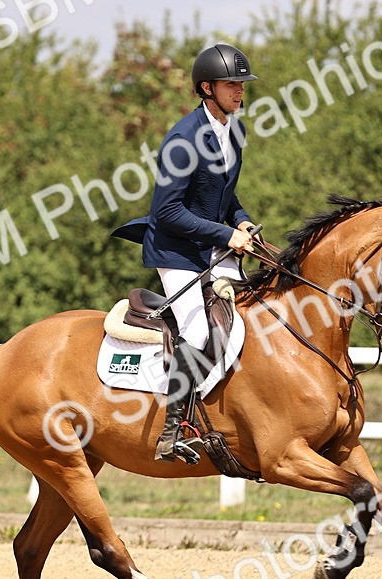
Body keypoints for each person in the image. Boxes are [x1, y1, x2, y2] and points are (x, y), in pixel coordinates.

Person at [112, 43, 261, 464]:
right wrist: (226, 234)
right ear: (206, 88)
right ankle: (173, 433)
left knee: (253, 313)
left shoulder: (235, 131)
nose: (239, 91)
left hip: (210, 244)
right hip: (175, 250)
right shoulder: (182, 140)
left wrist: (243, 220)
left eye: (241, 84)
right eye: (232, 84)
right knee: (196, 332)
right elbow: (168, 211)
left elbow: (223, 196)